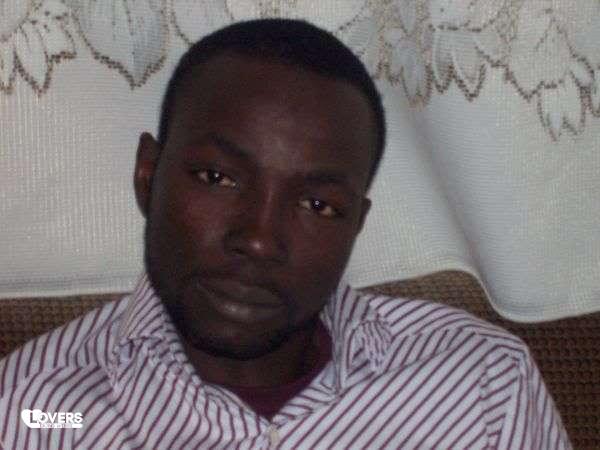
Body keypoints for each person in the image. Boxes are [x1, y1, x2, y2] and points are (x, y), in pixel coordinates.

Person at [0, 19, 571, 449]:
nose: (258, 239)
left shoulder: (481, 384)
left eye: (318, 205)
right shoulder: (36, 412)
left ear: (355, 226)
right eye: (218, 178)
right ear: (149, 176)